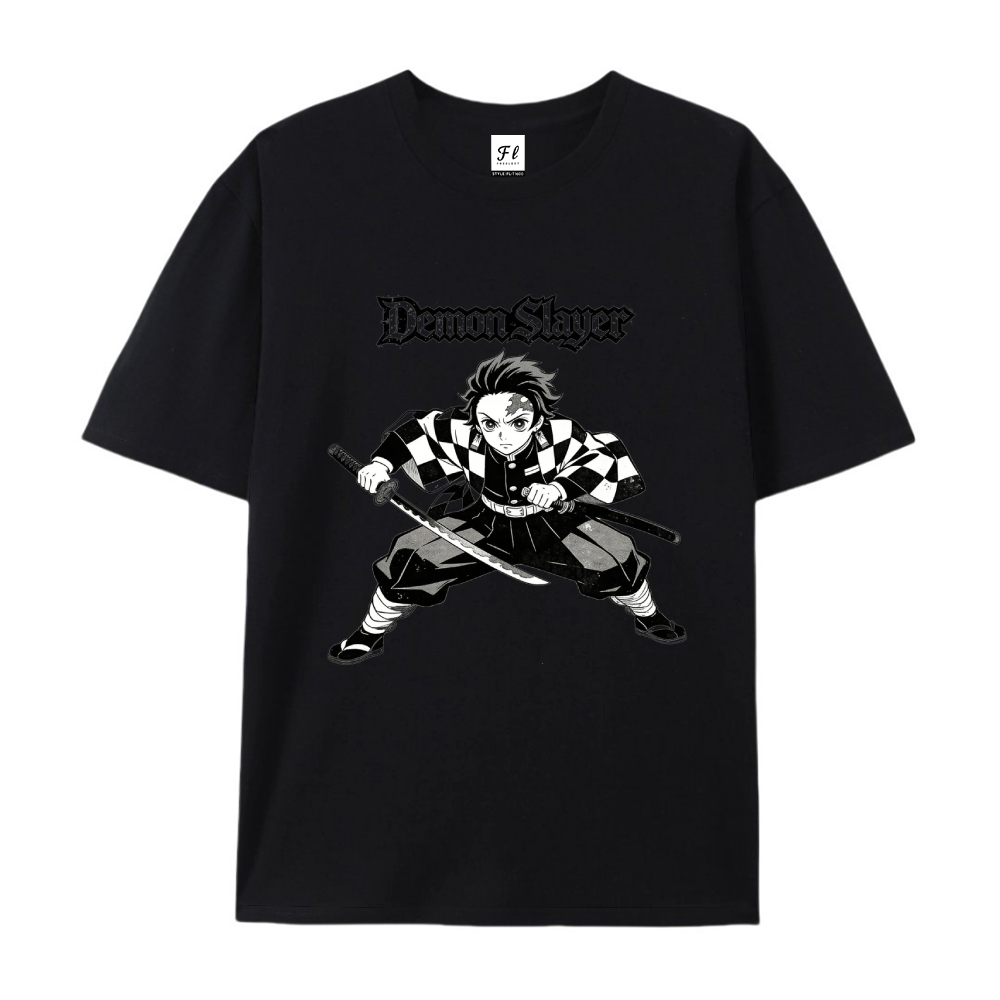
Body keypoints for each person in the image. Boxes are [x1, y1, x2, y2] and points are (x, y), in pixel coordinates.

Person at [330, 353, 686, 663]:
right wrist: (380, 465)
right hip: (484, 522)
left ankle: (649, 616)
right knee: (411, 557)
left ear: (536, 420)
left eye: (517, 423)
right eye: (489, 424)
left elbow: (598, 458)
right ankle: (368, 633)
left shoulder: (560, 433)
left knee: (617, 557)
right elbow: (414, 433)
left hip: (552, 526)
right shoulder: (463, 431)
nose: (502, 435)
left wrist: (559, 488)